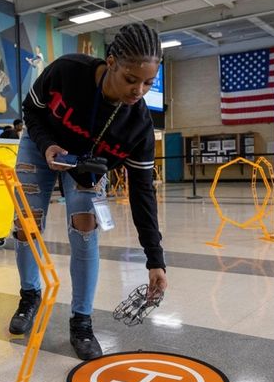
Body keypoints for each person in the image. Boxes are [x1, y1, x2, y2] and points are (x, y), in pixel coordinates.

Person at [9, 23, 168, 361]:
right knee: (26, 224)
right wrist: (47, 144)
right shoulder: (67, 71)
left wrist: (156, 260)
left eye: (148, 82)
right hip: (41, 147)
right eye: (130, 78)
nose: (138, 90)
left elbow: (143, 193)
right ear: (110, 62)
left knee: (85, 227)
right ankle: (29, 295)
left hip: (87, 164)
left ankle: (81, 321)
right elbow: (32, 109)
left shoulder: (138, 126)